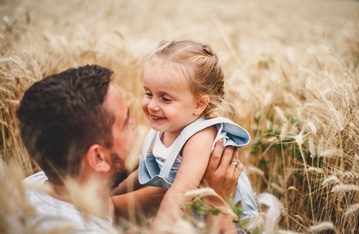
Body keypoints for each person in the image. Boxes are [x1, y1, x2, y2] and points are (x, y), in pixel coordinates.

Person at [17, 64, 245, 233]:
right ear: (98, 157)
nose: (136, 123)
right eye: (126, 122)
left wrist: (170, 193)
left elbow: (107, 210)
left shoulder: (36, 186)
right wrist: (218, 204)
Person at [115, 40, 259, 233]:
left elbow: (181, 192)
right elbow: (143, 173)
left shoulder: (200, 136)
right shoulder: (166, 126)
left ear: (199, 104)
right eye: (148, 93)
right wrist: (109, 196)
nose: (152, 105)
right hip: (197, 210)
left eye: (165, 98)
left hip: (230, 216)